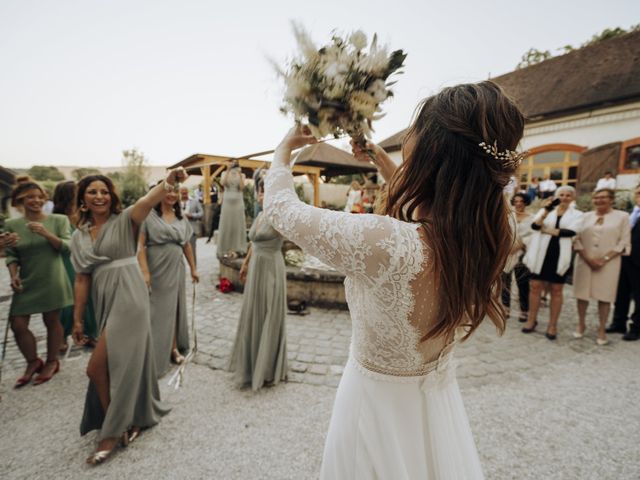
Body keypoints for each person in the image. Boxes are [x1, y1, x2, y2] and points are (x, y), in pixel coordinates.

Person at [265, 81, 523, 478]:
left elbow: (282, 210)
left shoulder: (386, 243)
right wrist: (380, 160)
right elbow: (444, 197)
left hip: (373, 402)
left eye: (413, 130)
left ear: (429, 151)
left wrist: (284, 150)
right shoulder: (496, 228)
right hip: (436, 403)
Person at [70, 171, 184, 464]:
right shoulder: (78, 236)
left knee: (95, 368)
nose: (99, 196)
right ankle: (123, 421)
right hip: (104, 298)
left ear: (112, 196)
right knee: (111, 366)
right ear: (82, 199)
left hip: (129, 294)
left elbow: (147, 201)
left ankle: (111, 433)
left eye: (104, 191)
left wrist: (168, 182)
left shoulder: (125, 220)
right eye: (92, 192)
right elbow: (82, 279)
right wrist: (78, 319)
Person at [4, 180, 73, 388]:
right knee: (17, 323)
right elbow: (11, 255)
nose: (36, 200)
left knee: (51, 320)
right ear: (19, 201)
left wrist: (46, 233)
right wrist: (13, 275)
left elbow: (67, 248)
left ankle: (52, 362)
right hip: (26, 279)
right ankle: (33, 361)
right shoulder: (11, 225)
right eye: (30, 197)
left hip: (52, 276)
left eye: (39, 196)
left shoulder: (58, 220)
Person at [228, 184, 287, 390]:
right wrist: (245, 264)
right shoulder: (261, 215)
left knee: (268, 311)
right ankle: (252, 362)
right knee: (254, 311)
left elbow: (290, 236)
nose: (260, 195)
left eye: (265, 192)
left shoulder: (279, 217)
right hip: (256, 267)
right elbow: (254, 243)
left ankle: (268, 368)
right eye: (260, 192)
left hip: (271, 266)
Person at [138, 182, 199, 377]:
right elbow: (139, 246)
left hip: (176, 268)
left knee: (173, 308)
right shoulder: (148, 216)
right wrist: (145, 272)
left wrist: (193, 269)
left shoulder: (181, 219)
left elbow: (187, 245)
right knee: (156, 310)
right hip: (156, 268)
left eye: (175, 192)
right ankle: (152, 352)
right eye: (168, 191)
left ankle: (172, 348)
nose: (172, 195)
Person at [523, 186, 582, 340]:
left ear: (572, 198)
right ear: (556, 196)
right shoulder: (547, 210)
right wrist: (546, 212)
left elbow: (571, 232)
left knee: (556, 289)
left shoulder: (577, 215)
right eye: (561, 194)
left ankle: (552, 325)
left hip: (559, 254)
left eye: (568, 195)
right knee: (535, 287)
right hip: (541, 253)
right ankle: (531, 319)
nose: (564, 197)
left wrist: (547, 230)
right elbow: (535, 225)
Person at [573, 189, 631, 345]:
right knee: (582, 294)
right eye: (596, 198)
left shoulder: (622, 217)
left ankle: (601, 328)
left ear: (611, 199)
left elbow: (624, 242)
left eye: (603, 197)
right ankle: (581, 323)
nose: (599, 200)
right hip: (584, 261)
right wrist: (587, 258)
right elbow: (575, 238)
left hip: (609, 262)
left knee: (605, 296)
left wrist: (604, 259)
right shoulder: (584, 217)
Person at [52, 180, 98, 351]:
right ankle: (62, 335)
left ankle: (91, 333)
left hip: (84, 261)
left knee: (89, 299)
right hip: (65, 263)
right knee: (67, 302)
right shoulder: (57, 219)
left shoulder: (84, 214)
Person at [610, 185, 640, 340]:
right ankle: (618, 322)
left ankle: (636, 328)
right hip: (623, 259)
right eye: (638, 193)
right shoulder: (629, 214)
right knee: (621, 293)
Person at [502, 193, 534, 322]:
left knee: (523, 283)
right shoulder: (508, 217)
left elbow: (533, 234)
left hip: (523, 253)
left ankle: (524, 310)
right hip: (507, 252)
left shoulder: (532, 218)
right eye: (516, 201)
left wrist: (521, 245)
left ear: (526, 202)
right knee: (505, 281)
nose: (518, 203)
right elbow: (503, 232)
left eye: (521, 201)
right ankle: (505, 308)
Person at [217, 160, 247, 259]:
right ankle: (226, 249)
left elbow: (242, 187)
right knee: (227, 224)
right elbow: (223, 183)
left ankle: (238, 248)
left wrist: (239, 173)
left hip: (238, 202)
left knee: (237, 225)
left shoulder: (242, 174)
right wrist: (228, 170)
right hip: (227, 202)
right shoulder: (224, 173)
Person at [179, 187, 203, 264]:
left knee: (192, 251)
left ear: (188, 192)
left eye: (185, 193)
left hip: (192, 230)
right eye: (182, 193)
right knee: (178, 253)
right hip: (179, 230)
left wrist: (191, 215)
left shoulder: (195, 201)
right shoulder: (176, 202)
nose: (184, 194)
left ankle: (194, 269)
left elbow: (201, 213)